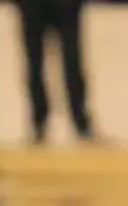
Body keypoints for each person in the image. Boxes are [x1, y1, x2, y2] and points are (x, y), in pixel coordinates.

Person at [17, 0, 92, 142]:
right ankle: (39, 123)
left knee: (72, 61)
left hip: (64, 5)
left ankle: (81, 122)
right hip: (34, 6)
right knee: (35, 63)